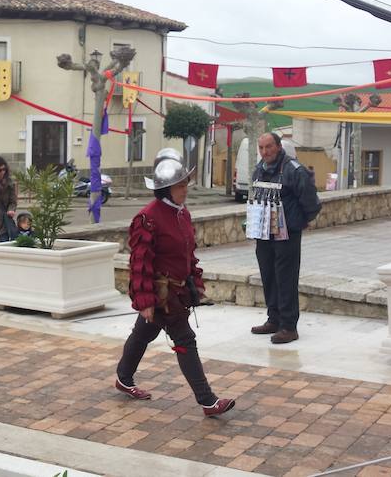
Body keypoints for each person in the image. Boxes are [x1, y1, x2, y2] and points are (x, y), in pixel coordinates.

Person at [115, 150, 235, 417]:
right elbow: (139, 263)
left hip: (178, 292)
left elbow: (187, 254)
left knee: (143, 334)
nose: (185, 189)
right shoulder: (147, 218)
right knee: (185, 339)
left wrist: (195, 282)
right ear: (166, 189)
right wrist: (144, 301)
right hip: (162, 295)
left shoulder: (183, 214)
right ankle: (207, 401)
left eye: (185, 183)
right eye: (180, 185)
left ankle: (123, 377)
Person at [250, 132, 322, 344]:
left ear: (279, 146)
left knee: (286, 279)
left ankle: (289, 326)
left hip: (287, 234)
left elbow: (311, 202)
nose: (265, 152)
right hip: (264, 234)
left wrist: (300, 221)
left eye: (269, 147)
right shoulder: (258, 170)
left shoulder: (294, 170)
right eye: (261, 148)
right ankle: (274, 319)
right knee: (268, 276)